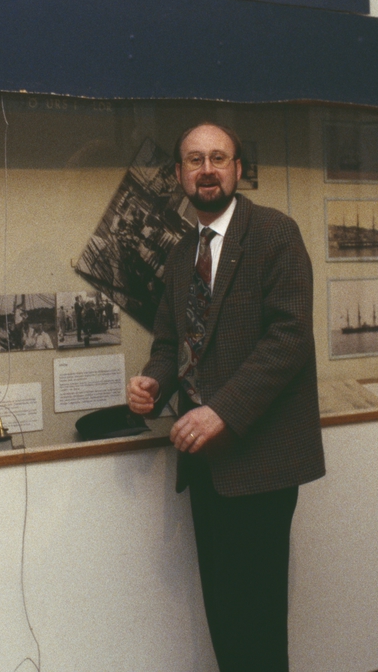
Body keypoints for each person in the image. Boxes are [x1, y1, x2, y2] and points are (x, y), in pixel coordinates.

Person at [127, 122, 325, 671]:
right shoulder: (180, 253)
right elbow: (172, 343)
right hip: (206, 464)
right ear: (179, 174)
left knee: (258, 622)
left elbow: (289, 338)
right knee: (225, 617)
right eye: (195, 160)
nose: (207, 169)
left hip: (260, 461)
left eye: (218, 158)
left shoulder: (275, 233)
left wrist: (221, 411)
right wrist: (153, 382)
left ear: (238, 169)